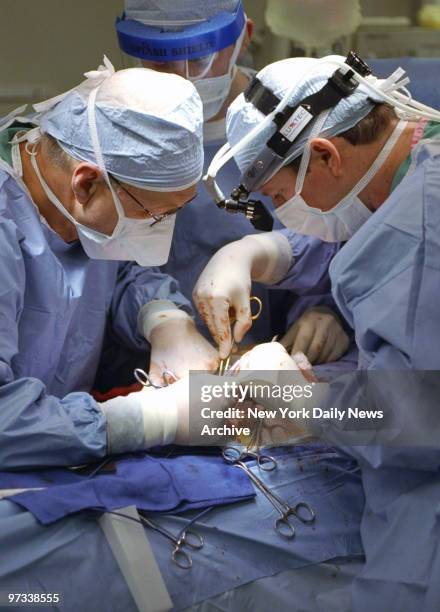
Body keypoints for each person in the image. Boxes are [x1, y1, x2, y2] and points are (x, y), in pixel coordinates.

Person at [193, 54, 440, 610]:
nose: (286, 216)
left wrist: (307, 405)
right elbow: (365, 227)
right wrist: (253, 250)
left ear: (325, 153)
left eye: (281, 200)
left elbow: (421, 416)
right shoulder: (418, 156)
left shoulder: (424, 225)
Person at [0, 58, 222, 469]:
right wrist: (152, 419)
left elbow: (117, 269)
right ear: (85, 184)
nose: (161, 231)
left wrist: (163, 318)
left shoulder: (75, 207)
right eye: (155, 216)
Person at [115, 0, 350, 369]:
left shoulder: (295, 123)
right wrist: (163, 322)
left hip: (283, 360)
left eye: (197, 58)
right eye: (158, 60)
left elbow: (344, 237)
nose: (178, 75)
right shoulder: (108, 133)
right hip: (149, 369)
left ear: (243, 38)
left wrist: (331, 310)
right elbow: (106, 270)